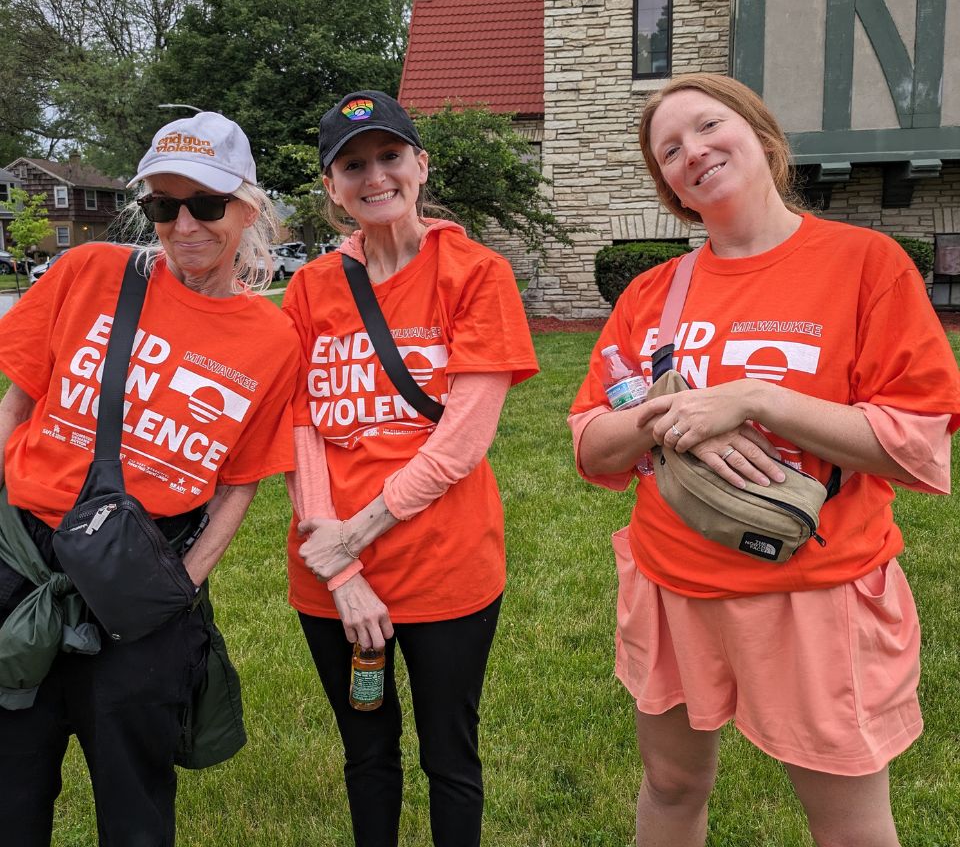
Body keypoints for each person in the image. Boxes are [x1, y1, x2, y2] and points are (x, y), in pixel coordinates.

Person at [569, 73, 960, 847]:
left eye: (710, 127)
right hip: (671, 582)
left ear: (761, 133)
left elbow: (918, 440)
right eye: (669, 150)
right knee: (672, 787)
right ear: (668, 185)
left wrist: (757, 399)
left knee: (847, 824)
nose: (693, 153)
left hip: (815, 590)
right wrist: (666, 416)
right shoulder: (653, 293)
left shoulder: (864, 264)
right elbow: (590, 442)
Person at [0, 111, 299, 846]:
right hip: (22, 565)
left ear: (248, 207)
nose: (184, 225)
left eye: (206, 204)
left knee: (136, 807)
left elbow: (241, 482)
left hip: (144, 582)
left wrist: (185, 583)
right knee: (10, 791)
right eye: (164, 206)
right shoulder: (88, 273)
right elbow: (17, 402)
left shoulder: (271, 340)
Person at [283, 90, 538, 847]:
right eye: (352, 165)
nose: (374, 177)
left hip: (443, 567)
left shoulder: (475, 272)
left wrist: (354, 535)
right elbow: (297, 426)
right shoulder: (310, 287)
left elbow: (462, 441)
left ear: (420, 166)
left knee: (448, 755)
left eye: (389, 157)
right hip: (330, 574)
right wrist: (340, 570)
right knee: (366, 753)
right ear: (331, 187)